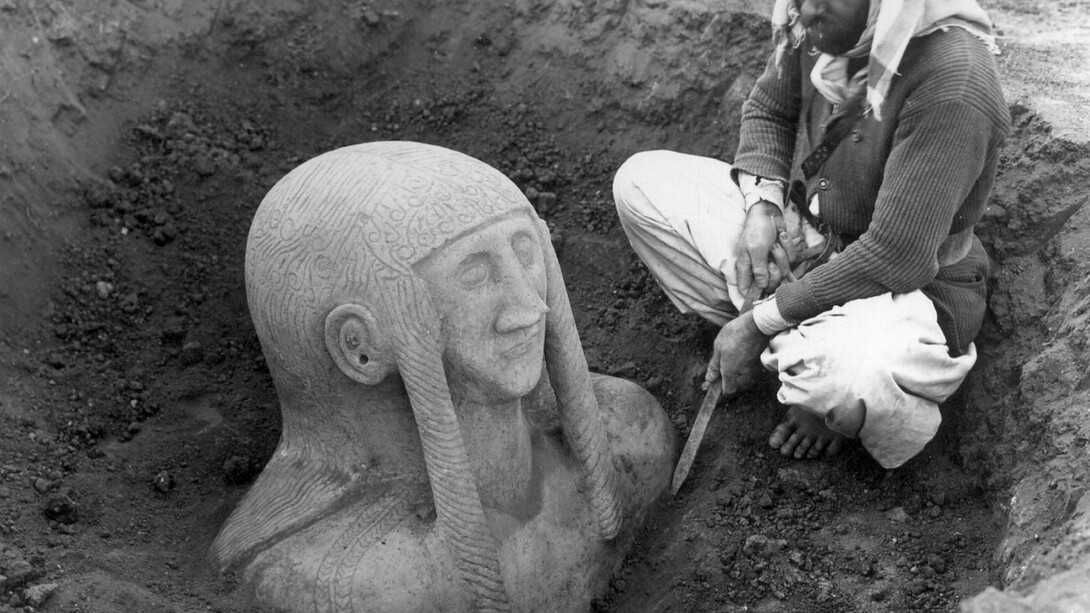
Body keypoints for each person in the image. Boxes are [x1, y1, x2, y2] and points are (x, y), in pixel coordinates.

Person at [212, 141, 674, 612]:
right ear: (361, 348)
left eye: (525, 252)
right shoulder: (358, 588)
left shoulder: (631, 439)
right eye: (474, 274)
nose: (529, 307)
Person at [613, 0, 1009, 469]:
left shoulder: (954, 82)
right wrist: (762, 208)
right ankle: (796, 348)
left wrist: (757, 322)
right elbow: (769, 110)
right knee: (641, 182)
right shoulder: (823, 23)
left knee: (847, 381)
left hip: (907, 288)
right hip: (814, 238)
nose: (803, 9)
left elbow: (896, 255)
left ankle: (812, 371)